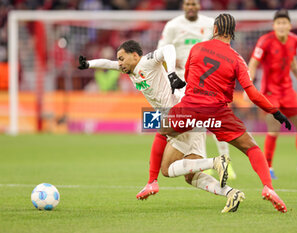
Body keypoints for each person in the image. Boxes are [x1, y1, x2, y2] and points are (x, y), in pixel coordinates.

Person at [78, 40, 243, 213]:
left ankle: (214, 162)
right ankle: (231, 193)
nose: (119, 63)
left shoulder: (147, 61)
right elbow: (109, 64)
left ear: (135, 55)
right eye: (118, 60)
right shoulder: (129, 69)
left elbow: (168, 49)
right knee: (191, 176)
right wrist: (89, 64)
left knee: (166, 168)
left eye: (121, 58)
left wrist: (171, 73)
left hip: (179, 114)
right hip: (190, 116)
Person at [160, 13, 291, 213]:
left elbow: (187, 76)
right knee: (252, 148)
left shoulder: (196, 48)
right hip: (217, 112)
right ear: (232, 33)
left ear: (214, 30)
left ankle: (153, 180)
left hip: (189, 107)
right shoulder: (237, 59)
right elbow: (253, 94)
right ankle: (268, 187)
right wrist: (275, 112)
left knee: (160, 131)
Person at [157, 0, 237, 182]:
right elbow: (160, 51)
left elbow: (221, 48)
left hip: (205, 80)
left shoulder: (210, 24)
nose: (191, 6)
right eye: (187, 4)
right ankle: (202, 160)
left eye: (194, 3)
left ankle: (225, 160)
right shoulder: (172, 25)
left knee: (216, 120)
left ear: (199, 5)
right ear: (183, 6)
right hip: (180, 83)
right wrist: (170, 66)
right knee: (193, 125)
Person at [248, 9, 297, 179]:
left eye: (285, 23)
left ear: (290, 25)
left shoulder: (294, 40)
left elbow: (292, 61)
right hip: (270, 92)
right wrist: (249, 86)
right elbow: (253, 64)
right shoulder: (265, 41)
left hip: (288, 91)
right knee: (274, 130)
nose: (282, 26)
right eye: (279, 23)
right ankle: (268, 167)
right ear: (274, 25)